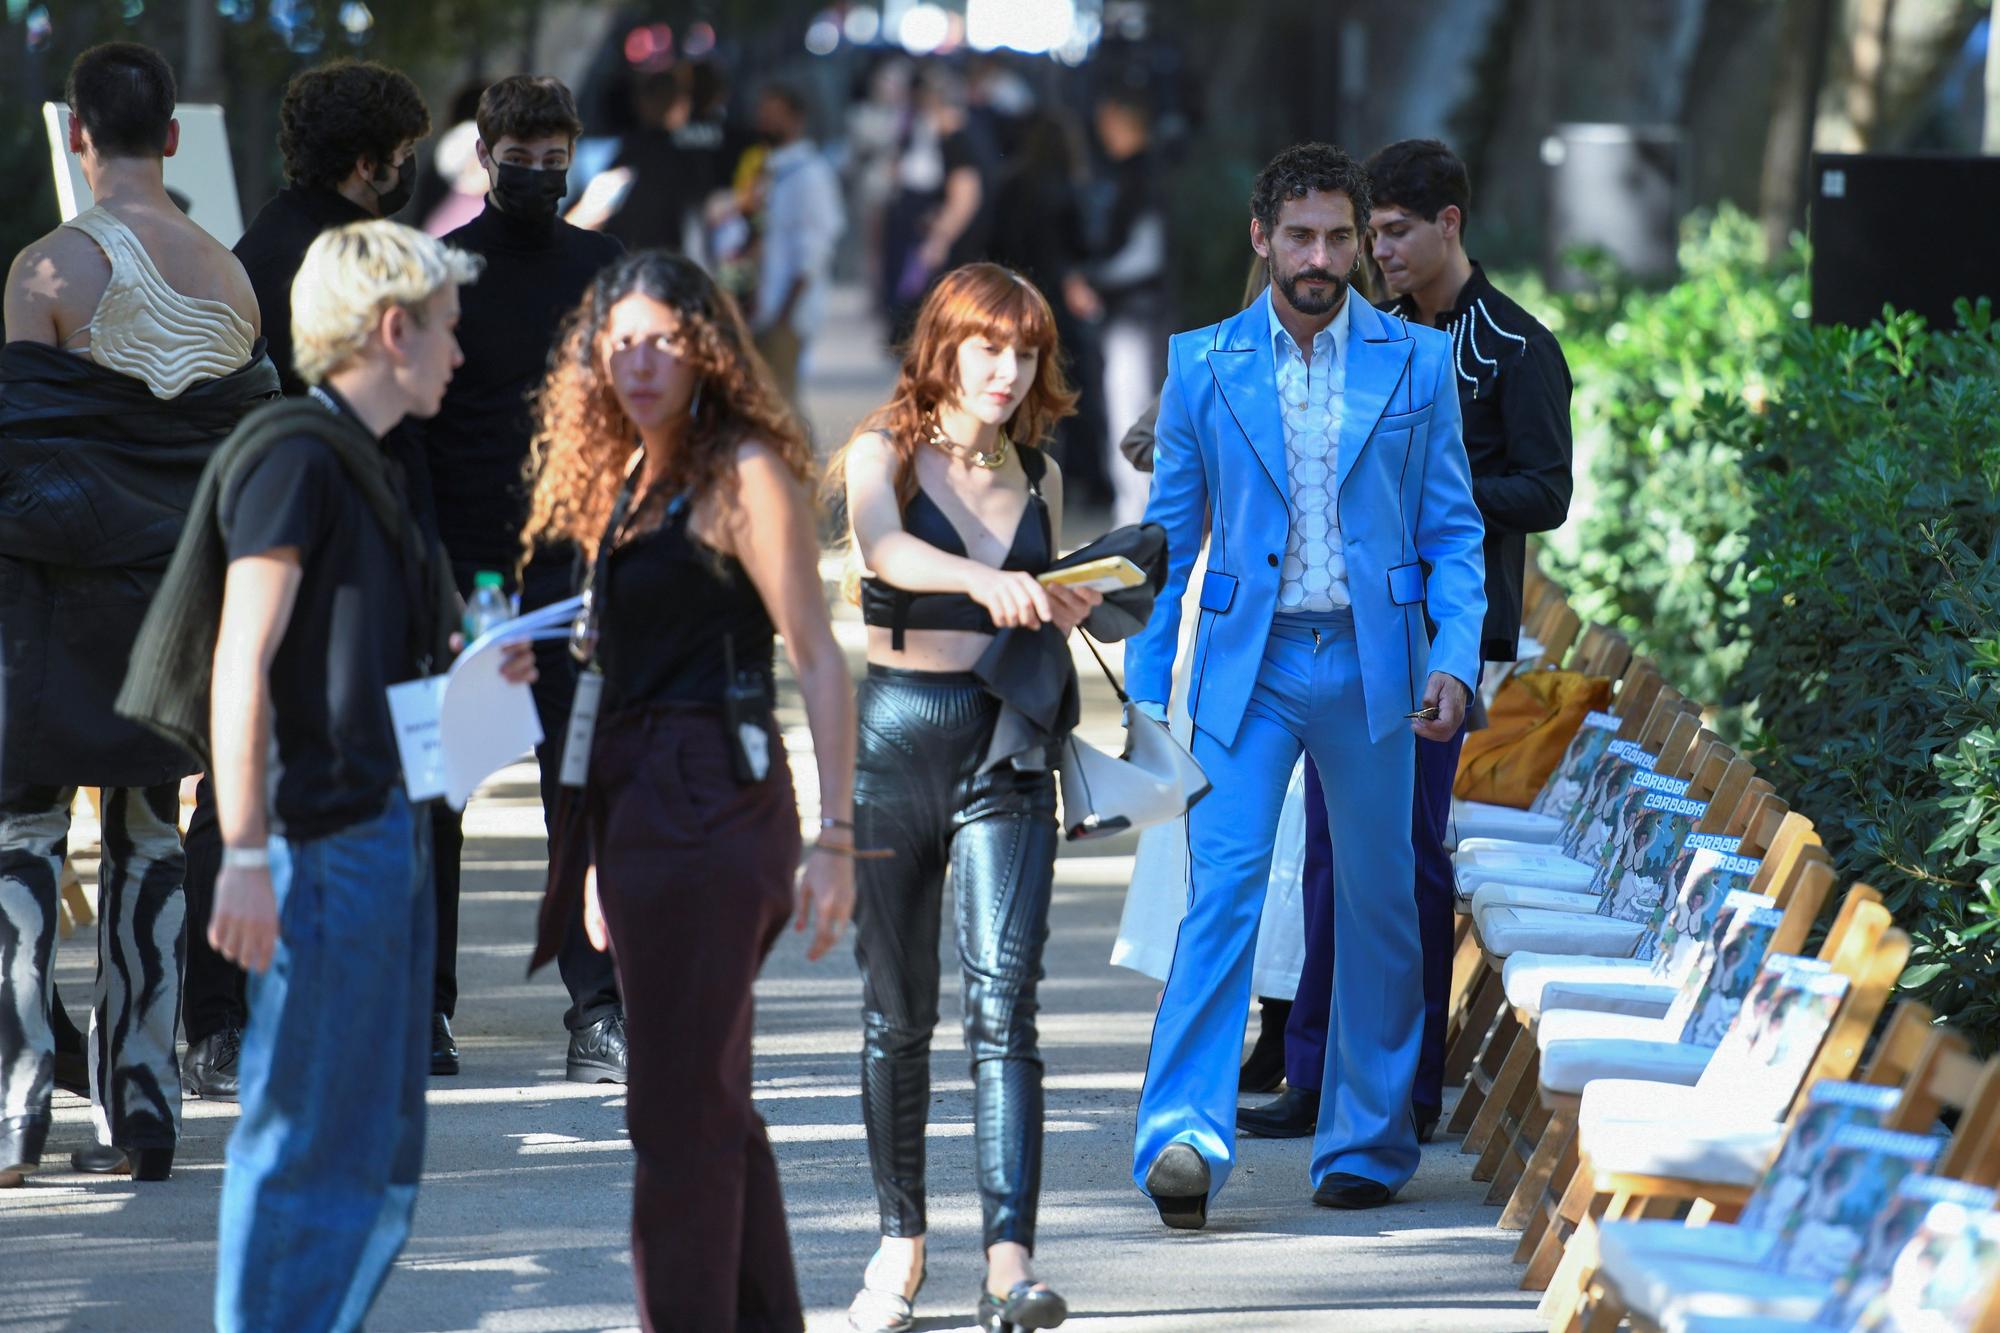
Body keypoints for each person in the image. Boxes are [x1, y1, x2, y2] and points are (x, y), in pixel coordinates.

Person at [115, 220, 516, 1327]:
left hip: (376, 836)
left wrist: (483, 687)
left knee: (376, 1144)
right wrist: (242, 851)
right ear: (392, 330)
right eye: (444, 329)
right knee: (304, 1137)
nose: (459, 353)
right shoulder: (297, 453)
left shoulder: (368, 462)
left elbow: (364, 676)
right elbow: (240, 660)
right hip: (320, 849)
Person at [1126, 142, 1486, 1225]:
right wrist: (1147, 694)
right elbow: (1164, 547)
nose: (1321, 257)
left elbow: (1454, 533)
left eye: (1338, 236)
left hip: (1376, 666)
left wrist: (1452, 660)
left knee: (1379, 900)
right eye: (1300, 237)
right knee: (1220, 894)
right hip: (1249, 666)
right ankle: (1181, 1138)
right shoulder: (1202, 365)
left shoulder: (1417, 364)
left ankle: (1367, 1140)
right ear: (1261, 239)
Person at [521, 250, 856, 1332]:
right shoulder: (622, 475)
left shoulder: (739, 471)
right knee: (701, 1097)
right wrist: (592, 863)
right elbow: (616, 666)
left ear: (705, 348)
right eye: (617, 342)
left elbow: (815, 657)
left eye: (661, 338)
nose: (637, 361)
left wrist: (837, 836)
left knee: (674, 1116)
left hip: (715, 794)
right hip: (634, 804)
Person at [1239, 138, 1572, 1145]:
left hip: (1445, 636)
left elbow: (1546, 493)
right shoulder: (1368, 335)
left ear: (1447, 226)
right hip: (1344, 625)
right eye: (1364, 232)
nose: (1371, 252)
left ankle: (1405, 1088)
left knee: (1408, 859)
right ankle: (1312, 1070)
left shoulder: (1517, 347)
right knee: (1330, 851)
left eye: (1387, 232)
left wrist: (1429, 495)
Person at [0, 41, 275, 1186]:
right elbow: (228, 457)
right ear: (170, 136)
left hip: (55, 607)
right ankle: (145, 1102)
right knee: (151, 833)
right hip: (177, 604)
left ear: (77, 136)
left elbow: (29, 461)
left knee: (20, 837)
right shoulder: (231, 276)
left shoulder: (47, 272)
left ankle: (15, 1106)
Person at [833, 263, 1095, 1333]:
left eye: (1025, 351)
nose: (1007, 369)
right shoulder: (879, 453)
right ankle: (899, 1243)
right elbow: (884, 549)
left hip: (1006, 747)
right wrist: (979, 580)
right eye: (988, 347)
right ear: (944, 347)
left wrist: (1066, 600)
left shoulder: (1039, 471)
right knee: (896, 1015)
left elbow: (1043, 598)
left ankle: (1007, 1262)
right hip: (897, 737)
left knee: (1004, 1003)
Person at [175, 57, 434, 1102]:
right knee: (268, 774)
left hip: (300, 543)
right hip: (313, 550)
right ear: (370, 162)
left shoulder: (247, 252)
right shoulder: (338, 260)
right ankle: (225, 1015)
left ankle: (228, 1017)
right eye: (405, 157)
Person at [420, 74, 627, 1082]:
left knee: (579, 787)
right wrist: (436, 567)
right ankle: (426, 1004)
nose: (541, 178)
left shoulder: (604, 266)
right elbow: (417, 428)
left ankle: (598, 1007)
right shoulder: (443, 272)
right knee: (442, 789)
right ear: (484, 155)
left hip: (576, 563)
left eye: (557, 161)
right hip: (470, 563)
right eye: (522, 161)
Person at [1085, 86, 1169, 527]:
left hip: (1139, 312)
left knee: (1133, 411)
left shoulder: (1142, 175)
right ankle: (1133, 511)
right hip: (1134, 310)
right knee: (1131, 409)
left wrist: (1095, 279)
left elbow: (1146, 253)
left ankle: (1136, 514)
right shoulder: (1135, 172)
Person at [748, 80, 844, 407]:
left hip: (787, 308)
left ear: (796, 119)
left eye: (775, 115)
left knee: (781, 402)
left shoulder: (811, 174)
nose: (765, 122)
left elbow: (815, 248)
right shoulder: (769, 168)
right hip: (766, 306)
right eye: (763, 114)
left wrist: (785, 312)